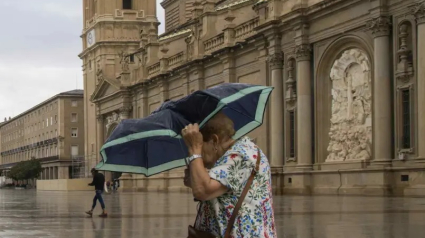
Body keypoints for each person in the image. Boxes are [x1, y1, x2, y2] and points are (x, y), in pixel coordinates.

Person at [181, 112, 277, 238]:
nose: (201, 156)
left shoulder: (242, 155)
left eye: (200, 145)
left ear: (214, 140)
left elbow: (203, 190)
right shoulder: (227, 157)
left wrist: (194, 150)